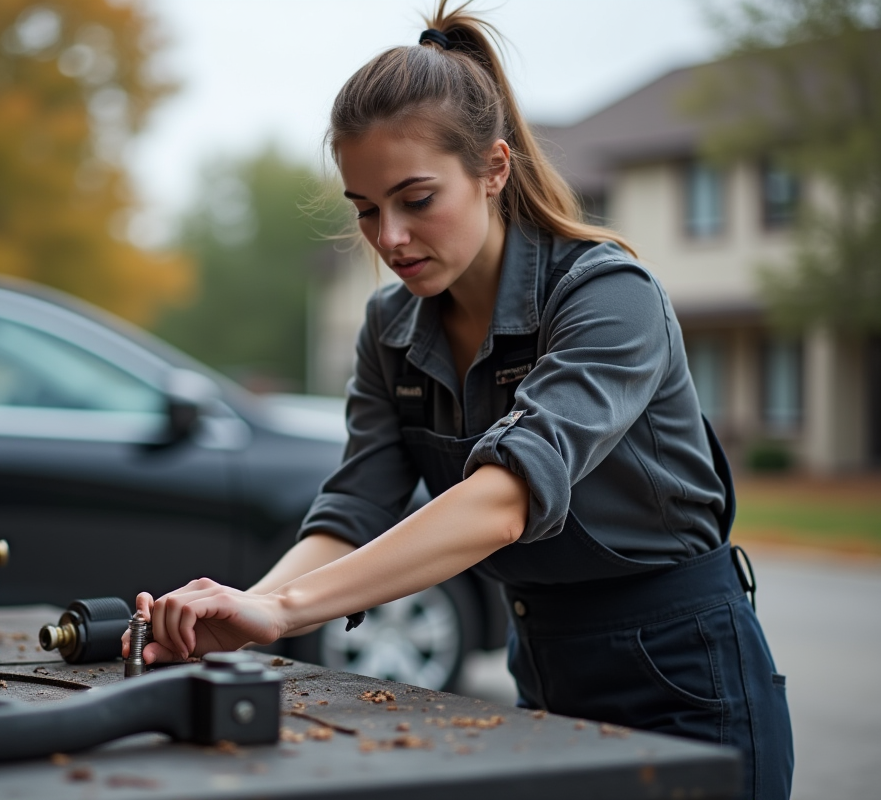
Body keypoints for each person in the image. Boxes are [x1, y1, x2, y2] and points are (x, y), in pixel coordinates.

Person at [126, 3, 793, 797]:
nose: (389, 237)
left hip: (686, 678)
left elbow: (505, 501)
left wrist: (286, 610)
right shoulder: (389, 327)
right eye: (365, 209)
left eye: (415, 199)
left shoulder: (610, 295)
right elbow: (355, 507)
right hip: (541, 671)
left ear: (494, 169)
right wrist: (241, 612)